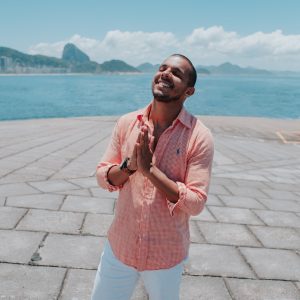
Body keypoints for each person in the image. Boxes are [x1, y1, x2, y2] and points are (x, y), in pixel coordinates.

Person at [91, 54, 214, 300]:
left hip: (165, 255)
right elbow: (103, 176)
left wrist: (150, 171)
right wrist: (130, 167)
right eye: (162, 68)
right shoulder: (127, 123)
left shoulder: (199, 136)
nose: (166, 73)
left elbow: (196, 202)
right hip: (120, 248)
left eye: (176, 73)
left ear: (189, 91)